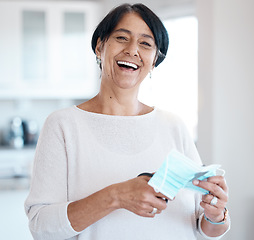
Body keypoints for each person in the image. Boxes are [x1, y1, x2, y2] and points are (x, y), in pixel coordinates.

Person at [25, 3, 230, 240]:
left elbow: (205, 229)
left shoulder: (174, 126)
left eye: (145, 43)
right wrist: (116, 196)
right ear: (100, 45)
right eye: (122, 38)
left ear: (154, 60)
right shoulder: (63, 126)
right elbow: (41, 228)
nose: (133, 50)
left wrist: (216, 214)